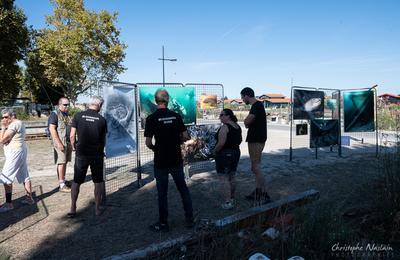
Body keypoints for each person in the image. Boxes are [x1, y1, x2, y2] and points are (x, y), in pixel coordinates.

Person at [144, 89, 194, 232]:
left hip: (160, 161)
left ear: (155, 100)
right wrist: (176, 141)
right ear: (168, 99)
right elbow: (185, 136)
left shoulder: (151, 118)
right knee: (183, 189)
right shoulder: (176, 116)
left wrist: (156, 149)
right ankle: (190, 220)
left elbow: (148, 142)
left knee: (162, 193)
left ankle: (163, 223)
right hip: (176, 159)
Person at [68, 96, 107, 217]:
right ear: (99, 105)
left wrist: (74, 147)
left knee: (77, 181)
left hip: (81, 153)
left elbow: (72, 136)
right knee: (98, 182)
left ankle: (73, 207)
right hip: (96, 154)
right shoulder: (102, 119)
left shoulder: (78, 116)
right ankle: (97, 209)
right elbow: (104, 139)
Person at [240, 87, 271, 203]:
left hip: (256, 140)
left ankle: (264, 193)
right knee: (255, 166)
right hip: (257, 139)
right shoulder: (257, 106)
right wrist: (248, 123)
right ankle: (258, 191)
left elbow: (247, 122)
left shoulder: (256, 106)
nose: (242, 100)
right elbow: (250, 122)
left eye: (242, 97)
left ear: (247, 96)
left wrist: (246, 122)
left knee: (255, 167)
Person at [0, 109, 35, 212]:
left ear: (12, 116)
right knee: (25, 176)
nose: (4, 119)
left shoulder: (15, 124)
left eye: (6, 117)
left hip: (15, 153)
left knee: (5, 178)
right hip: (19, 151)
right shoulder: (16, 124)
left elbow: (2, 140)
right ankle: (29, 198)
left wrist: (2, 128)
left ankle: (9, 204)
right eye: (2, 117)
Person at [213, 109, 242, 209]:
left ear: (228, 116)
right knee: (232, 176)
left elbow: (221, 143)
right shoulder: (237, 126)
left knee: (223, 178)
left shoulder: (225, 127)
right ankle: (232, 198)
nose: (220, 117)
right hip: (236, 153)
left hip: (225, 154)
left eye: (222, 115)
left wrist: (215, 151)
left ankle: (228, 202)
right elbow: (240, 140)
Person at [48, 97, 72, 192]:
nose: (67, 106)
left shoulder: (66, 114)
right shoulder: (54, 114)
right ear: (59, 105)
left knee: (65, 161)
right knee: (61, 162)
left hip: (67, 141)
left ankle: (63, 180)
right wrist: (58, 143)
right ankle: (62, 185)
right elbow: (52, 129)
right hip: (60, 141)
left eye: (68, 104)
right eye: (65, 105)